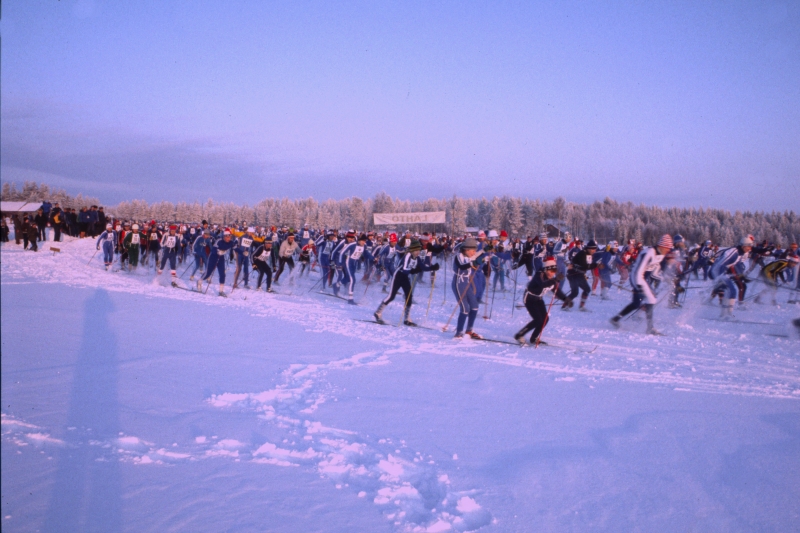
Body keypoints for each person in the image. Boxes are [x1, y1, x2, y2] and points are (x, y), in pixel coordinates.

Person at [610, 234, 674, 334]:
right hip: (636, 277)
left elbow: (657, 271)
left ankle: (615, 319)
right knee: (651, 299)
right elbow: (639, 271)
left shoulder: (660, 255)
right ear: (662, 246)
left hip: (643, 278)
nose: (667, 251)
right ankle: (650, 328)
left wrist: (667, 279)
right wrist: (639, 286)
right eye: (667, 249)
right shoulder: (649, 253)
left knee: (636, 304)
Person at [374, 239, 439, 325]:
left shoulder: (417, 258)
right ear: (412, 250)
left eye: (419, 250)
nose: (418, 252)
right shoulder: (408, 255)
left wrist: (432, 268)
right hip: (398, 276)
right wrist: (414, 270)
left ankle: (407, 319)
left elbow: (422, 267)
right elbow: (405, 269)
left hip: (405, 278)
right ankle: (378, 312)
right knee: (391, 296)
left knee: (409, 297)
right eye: (416, 250)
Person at [514, 257, 568, 345]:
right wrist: (555, 280)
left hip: (539, 299)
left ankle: (534, 338)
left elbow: (556, 291)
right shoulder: (539, 275)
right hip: (529, 299)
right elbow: (543, 285)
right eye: (551, 271)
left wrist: (566, 299)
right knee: (538, 319)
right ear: (546, 269)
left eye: (554, 271)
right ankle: (519, 335)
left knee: (545, 319)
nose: (552, 273)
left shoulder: (551, 278)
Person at [709, 236, 754, 318]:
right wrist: (720, 278)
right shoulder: (734, 252)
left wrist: (741, 275)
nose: (750, 249)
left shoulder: (740, 253)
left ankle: (726, 314)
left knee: (732, 291)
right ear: (743, 246)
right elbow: (719, 265)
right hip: (717, 272)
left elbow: (737, 265)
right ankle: (725, 315)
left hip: (722, 273)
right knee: (731, 290)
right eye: (749, 246)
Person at [451, 237, 485, 339]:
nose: (474, 253)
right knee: (465, 308)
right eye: (472, 251)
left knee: (474, 306)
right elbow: (462, 266)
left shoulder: (470, 256)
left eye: (475, 251)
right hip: (458, 283)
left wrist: (485, 251)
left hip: (466, 283)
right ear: (466, 249)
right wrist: (474, 262)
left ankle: (469, 330)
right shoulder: (459, 256)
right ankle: (459, 332)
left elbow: (477, 255)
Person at [198, 229, 237, 296]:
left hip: (221, 258)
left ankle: (221, 291)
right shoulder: (219, 241)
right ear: (224, 236)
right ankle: (199, 281)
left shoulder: (231, 242)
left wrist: (243, 253)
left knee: (222, 274)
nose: (229, 238)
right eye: (227, 237)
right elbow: (213, 249)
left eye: (230, 237)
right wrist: (218, 251)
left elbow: (236, 249)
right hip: (213, 257)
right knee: (208, 273)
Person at [563, 239, 599, 311]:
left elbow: (587, 266)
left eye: (595, 249)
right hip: (573, 274)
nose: (594, 251)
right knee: (575, 292)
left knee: (587, 289)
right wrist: (596, 265)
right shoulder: (582, 254)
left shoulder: (589, 254)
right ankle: (564, 306)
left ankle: (581, 306)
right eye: (593, 249)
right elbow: (585, 266)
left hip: (579, 274)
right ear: (588, 248)